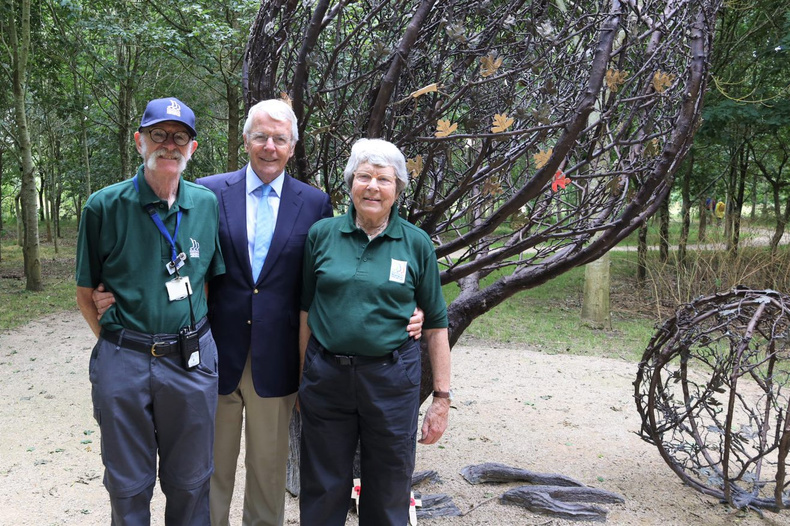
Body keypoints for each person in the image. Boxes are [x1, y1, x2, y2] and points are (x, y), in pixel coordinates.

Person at [92, 99, 425, 526]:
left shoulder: (314, 203)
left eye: (280, 138)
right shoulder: (210, 192)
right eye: (261, 136)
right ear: (246, 140)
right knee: (206, 470)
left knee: (268, 474)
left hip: (278, 357)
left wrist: (405, 306)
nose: (270, 146)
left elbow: (338, 270)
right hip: (209, 355)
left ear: (292, 146)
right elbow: (173, 255)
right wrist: (113, 293)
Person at [75, 97, 225, 525]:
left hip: (190, 360)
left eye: (180, 137)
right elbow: (86, 292)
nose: (169, 145)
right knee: (127, 484)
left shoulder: (206, 204)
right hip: (125, 359)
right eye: (158, 134)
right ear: (139, 141)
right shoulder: (103, 206)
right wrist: (116, 343)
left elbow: (206, 283)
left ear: (192, 149)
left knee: (192, 481)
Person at [298, 138, 452, 526]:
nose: (372, 186)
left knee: (388, 487)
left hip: (390, 378)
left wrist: (442, 398)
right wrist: (304, 375)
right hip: (327, 376)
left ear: (397, 189)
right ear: (350, 183)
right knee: (322, 486)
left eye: (384, 179)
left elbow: (435, 324)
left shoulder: (416, 244)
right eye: (363, 176)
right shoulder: (321, 235)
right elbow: (305, 311)